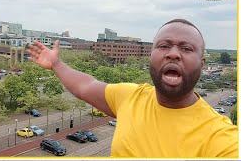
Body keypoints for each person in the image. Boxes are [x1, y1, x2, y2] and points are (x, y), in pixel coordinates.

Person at [27, 19, 238, 158]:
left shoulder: (222, 138)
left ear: (202, 63)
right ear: (151, 56)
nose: (173, 54)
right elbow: (86, 86)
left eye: (186, 48)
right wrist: (57, 64)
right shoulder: (130, 96)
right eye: (164, 46)